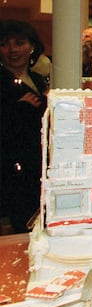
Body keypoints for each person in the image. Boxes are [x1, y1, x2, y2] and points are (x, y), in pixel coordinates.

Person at [0, 20, 48, 233]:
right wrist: (16, 109)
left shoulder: (38, 80)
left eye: (19, 43)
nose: (12, 50)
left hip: (35, 164)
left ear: (32, 47)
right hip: (8, 168)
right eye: (4, 44)